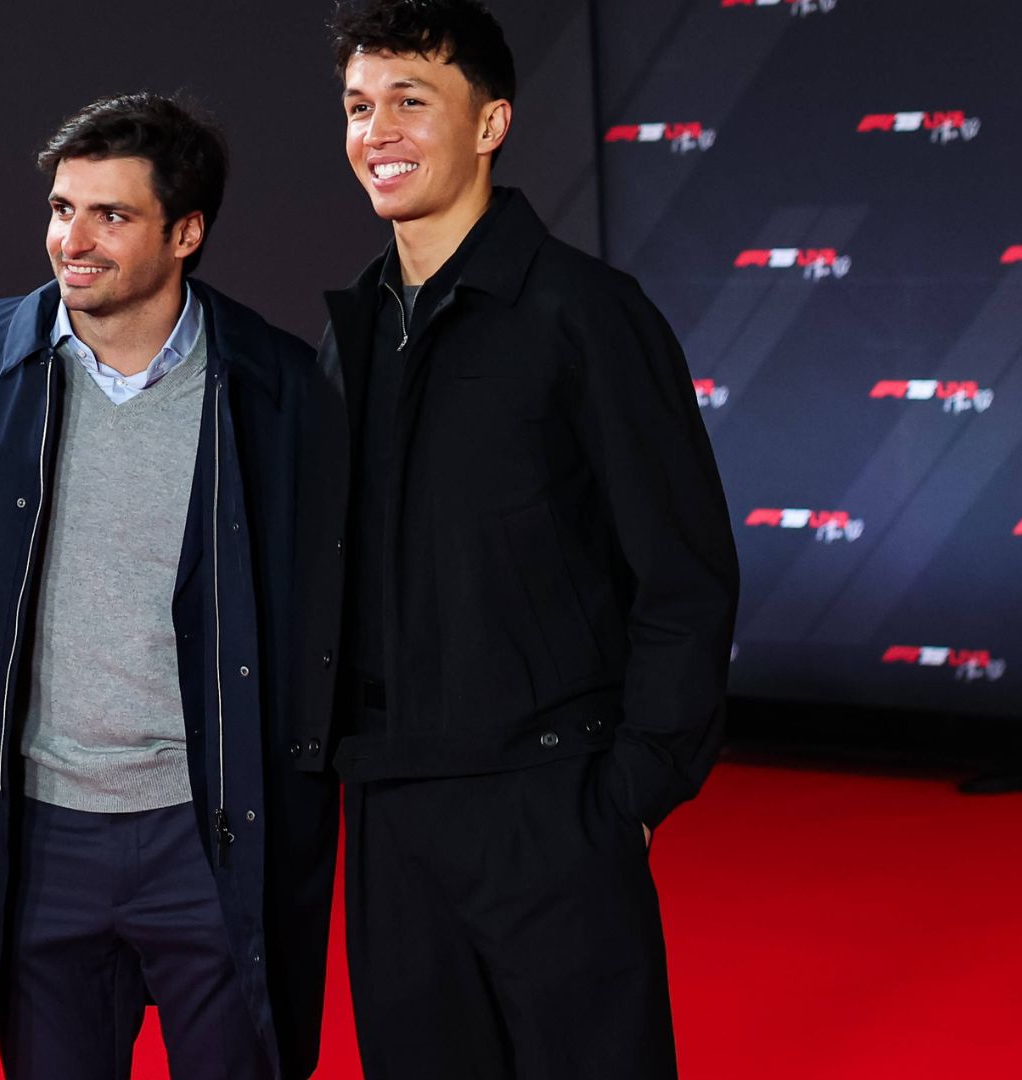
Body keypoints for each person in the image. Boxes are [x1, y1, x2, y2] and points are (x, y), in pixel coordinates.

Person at [289, 2, 743, 1077]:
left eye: (412, 100)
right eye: (359, 106)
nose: (377, 131)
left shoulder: (589, 315)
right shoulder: (348, 336)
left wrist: (631, 794)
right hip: (392, 815)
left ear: (490, 124)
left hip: (554, 810)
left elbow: (684, 577)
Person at [0, 94, 337, 1080]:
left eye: (111, 216)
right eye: (61, 209)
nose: (72, 241)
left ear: (186, 233)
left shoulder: (278, 386)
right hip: (37, 840)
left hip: (209, 838)